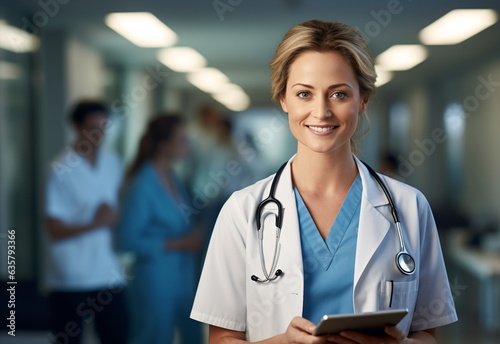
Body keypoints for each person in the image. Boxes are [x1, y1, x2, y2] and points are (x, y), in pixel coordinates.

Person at [191, 20, 458, 344]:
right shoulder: (243, 211)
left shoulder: (409, 206)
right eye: (304, 93)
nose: (321, 111)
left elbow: (428, 332)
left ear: (363, 100)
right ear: (283, 99)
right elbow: (221, 338)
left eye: (339, 94)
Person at [44, 100, 128, 344]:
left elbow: (117, 209)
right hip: (70, 275)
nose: (99, 134)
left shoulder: (112, 163)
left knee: (118, 336)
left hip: (108, 271)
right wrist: (98, 223)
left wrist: (114, 216)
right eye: (92, 128)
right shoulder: (59, 169)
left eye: (103, 127)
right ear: (76, 127)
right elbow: (53, 229)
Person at [117, 114, 203, 344]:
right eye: (182, 139)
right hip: (155, 278)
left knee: (193, 335)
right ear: (164, 145)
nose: (187, 145)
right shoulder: (142, 184)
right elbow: (126, 240)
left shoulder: (172, 177)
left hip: (183, 276)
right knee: (154, 337)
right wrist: (178, 243)